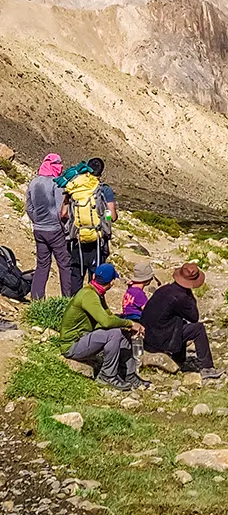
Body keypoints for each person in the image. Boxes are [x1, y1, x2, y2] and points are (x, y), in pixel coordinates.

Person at [59, 263, 147, 391]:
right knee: (115, 333)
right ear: (112, 283)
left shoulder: (96, 292)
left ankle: (129, 374)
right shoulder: (89, 296)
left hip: (83, 338)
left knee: (122, 331)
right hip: (72, 345)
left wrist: (128, 327)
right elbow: (105, 321)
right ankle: (107, 375)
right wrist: (131, 323)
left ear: (94, 276)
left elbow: (109, 315)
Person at [141, 262, 222, 378]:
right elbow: (194, 317)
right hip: (160, 341)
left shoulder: (165, 289)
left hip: (148, 337)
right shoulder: (181, 297)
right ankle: (207, 367)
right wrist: (190, 295)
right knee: (198, 329)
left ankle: (179, 359)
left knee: (179, 323)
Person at [61, 157, 117, 294]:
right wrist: (105, 218)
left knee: (76, 276)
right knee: (96, 277)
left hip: (77, 239)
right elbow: (112, 216)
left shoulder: (74, 187)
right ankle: (92, 307)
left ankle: (73, 307)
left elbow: (63, 213)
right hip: (97, 240)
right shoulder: (104, 190)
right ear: (101, 172)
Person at [26, 153, 71, 299]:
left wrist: (37, 221)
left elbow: (29, 207)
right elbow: (61, 211)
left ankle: (37, 299)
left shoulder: (33, 182)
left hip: (39, 229)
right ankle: (67, 300)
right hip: (55, 230)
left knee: (42, 265)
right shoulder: (56, 183)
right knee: (64, 264)